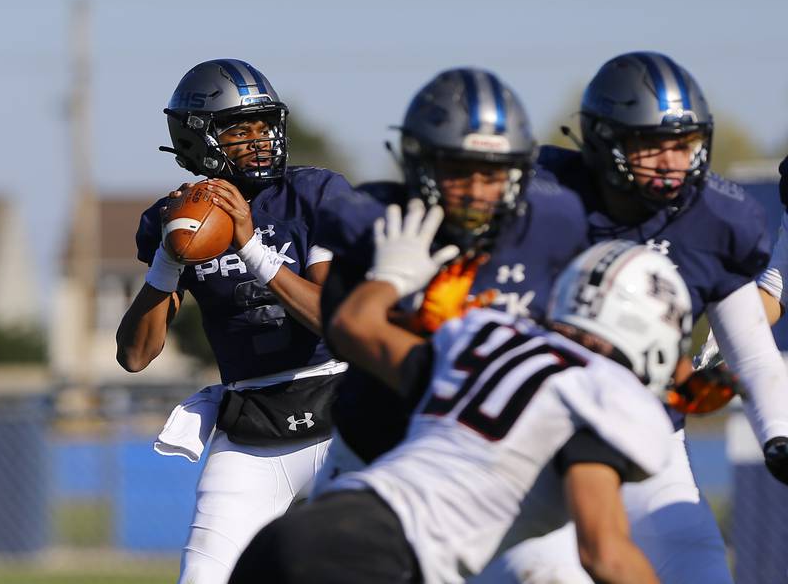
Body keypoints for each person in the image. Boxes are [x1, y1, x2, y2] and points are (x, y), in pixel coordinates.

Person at [228, 205, 695, 584]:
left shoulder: (488, 335)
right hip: (375, 561)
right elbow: (606, 556)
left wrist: (392, 276)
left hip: (302, 530)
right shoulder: (607, 393)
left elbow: (353, 328)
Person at [484, 51, 788, 584]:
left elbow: (755, 354)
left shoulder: (716, 219)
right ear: (604, 141)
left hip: (648, 436)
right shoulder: (541, 199)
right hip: (532, 440)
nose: (673, 162)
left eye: (685, 144)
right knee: (549, 574)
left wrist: (779, 437)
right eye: (653, 145)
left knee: (703, 571)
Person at [115, 59, 353, 584]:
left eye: (263, 124)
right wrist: (167, 260)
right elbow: (135, 356)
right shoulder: (171, 219)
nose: (259, 139)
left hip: (345, 416)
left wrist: (249, 246)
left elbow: (333, 321)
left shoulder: (314, 195)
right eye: (238, 129)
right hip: (252, 426)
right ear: (197, 139)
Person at [306, 67, 589, 491]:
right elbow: (344, 331)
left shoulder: (553, 222)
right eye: (459, 171)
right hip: (381, 455)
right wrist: (388, 280)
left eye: (492, 173)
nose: (476, 191)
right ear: (421, 165)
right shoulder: (372, 225)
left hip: (505, 466)